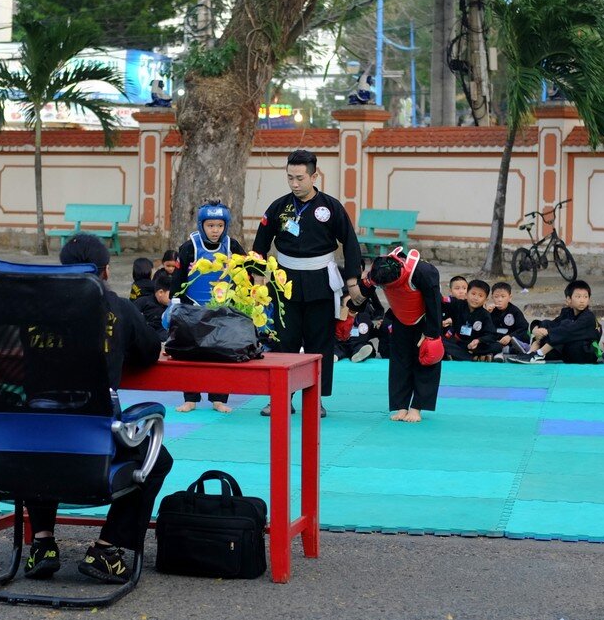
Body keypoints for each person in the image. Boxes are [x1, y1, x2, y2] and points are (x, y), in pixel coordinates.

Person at [23, 234, 174, 585]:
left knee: (41, 429)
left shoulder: (32, 309)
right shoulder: (117, 308)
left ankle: (42, 542)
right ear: (105, 272)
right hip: (96, 445)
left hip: (31, 444)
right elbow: (150, 351)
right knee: (157, 459)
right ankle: (107, 548)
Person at [252, 149, 364, 416]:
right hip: (283, 280)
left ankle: (315, 400)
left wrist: (352, 282)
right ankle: (281, 397)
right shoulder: (278, 207)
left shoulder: (331, 207)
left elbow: (349, 243)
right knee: (284, 341)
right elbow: (260, 245)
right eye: (290, 177)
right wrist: (257, 278)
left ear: (314, 176)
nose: (294, 183)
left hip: (320, 281)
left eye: (300, 178)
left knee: (320, 343)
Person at [170, 200, 245, 414]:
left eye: (219, 226)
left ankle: (219, 398)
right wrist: (175, 304)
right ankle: (190, 398)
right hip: (192, 308)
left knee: (221, 355)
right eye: (211, 225)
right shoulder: (189, 247)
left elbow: (243, 275)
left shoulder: (233, 247)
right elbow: (178, 277)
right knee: (190, 355)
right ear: (202, 225)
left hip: (222, 308)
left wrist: (242, 299)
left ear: (226, 226)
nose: (215, 230)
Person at [364, 249, 444, 422]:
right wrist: (352, 311)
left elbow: (435, 304)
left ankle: (416, 407)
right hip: (400, 317)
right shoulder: (378, 271)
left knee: (425, 360)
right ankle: (401, 406)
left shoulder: (423, 272)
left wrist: (431, 334)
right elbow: (365, 290)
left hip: (425, 319)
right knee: (399, 362)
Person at [509, 279, 600, 364]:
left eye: (585, 297)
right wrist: (536, 329)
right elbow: (553, 324)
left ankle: (538, 355)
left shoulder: (588, 317)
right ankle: (530, 353)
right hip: (568, 351)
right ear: (569, 300)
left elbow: (568, 331)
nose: (582, 300)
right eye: (578, 297)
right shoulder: (567, 312)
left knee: (563, 328)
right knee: (547, 324)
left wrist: (548, 332)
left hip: (585, 354)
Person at [442, 278, 498, 361]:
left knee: (497, 346)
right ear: (466, 295)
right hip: (458, 342)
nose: (476, 298)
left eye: (480, 296)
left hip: (474, 345)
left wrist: (478, 340)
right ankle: (472, 357)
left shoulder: (485, 314)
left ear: (486, 300)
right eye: (473, 294)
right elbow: (441, 302)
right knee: (441, 340)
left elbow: (492, 334)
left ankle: (460, 355)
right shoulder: (458, 304)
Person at [489, 280, 530, 358]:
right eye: (496, 296)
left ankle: (513, 349)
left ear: (510, 298)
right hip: (497, 339)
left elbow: (523, 327)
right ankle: (501, 351)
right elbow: (485, 327)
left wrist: (510, 336)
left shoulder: (515, 311)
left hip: (511, 338)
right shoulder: (490, 310)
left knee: (525, 336)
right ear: (492, 298)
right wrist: (487, 313)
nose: (499, 299)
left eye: (503, 296)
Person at [135, 270, 173, 337]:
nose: (173, 299)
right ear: (160, 292)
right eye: (171, 295)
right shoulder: (143, 302)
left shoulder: (173, 308)